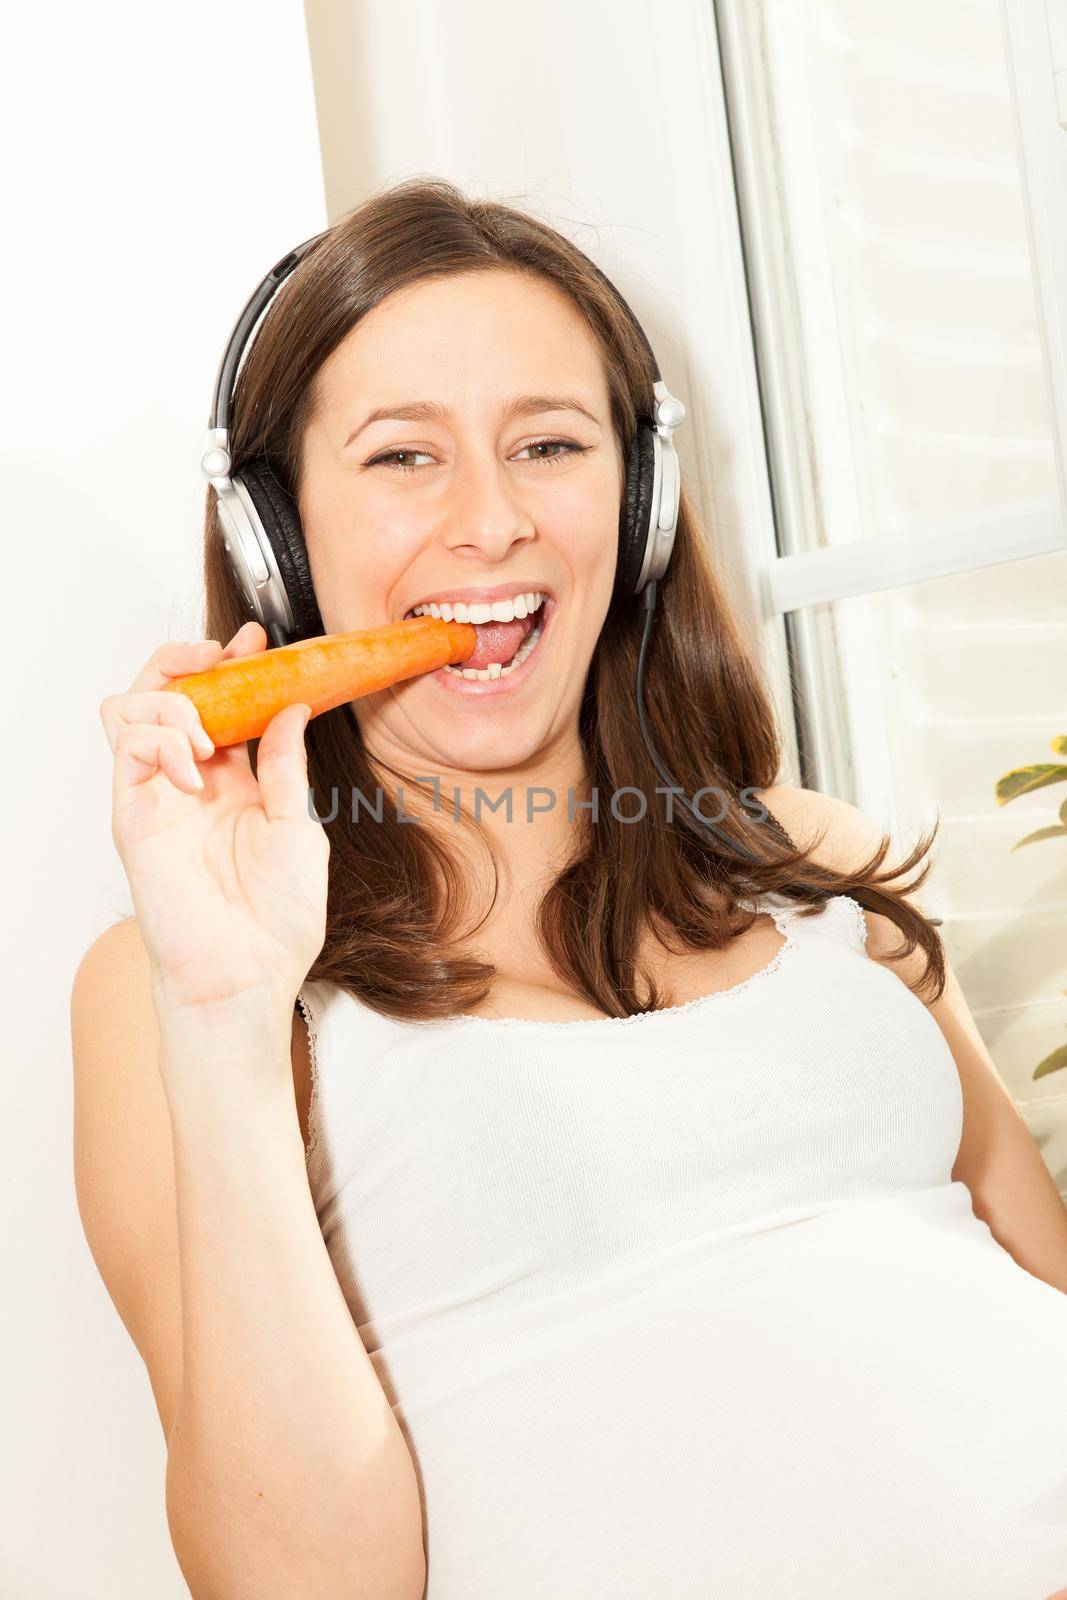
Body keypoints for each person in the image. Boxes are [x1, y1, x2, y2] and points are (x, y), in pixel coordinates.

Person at [71, 177, 1067, 1600]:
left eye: (548, 443)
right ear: (277, 536)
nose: (491, 523)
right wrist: (226, 1013)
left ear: (640, 504)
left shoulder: (817, 859)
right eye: (403, 458)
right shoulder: (185, 987)